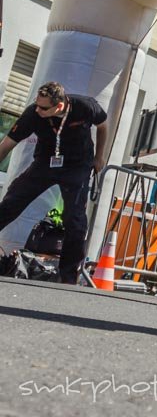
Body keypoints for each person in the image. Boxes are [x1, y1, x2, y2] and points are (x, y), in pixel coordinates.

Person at [0, 81, 107, 284]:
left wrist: (99, 157)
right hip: (45, 163)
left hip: (77, 166)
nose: (38, 109)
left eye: (43, 107)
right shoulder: (33, 114)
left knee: (74, 219)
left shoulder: (85, 106)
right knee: (13, 201)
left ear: (59, 106)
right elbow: (6, 144)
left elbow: (103, 126)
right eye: (36, 104)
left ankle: (68, 277)